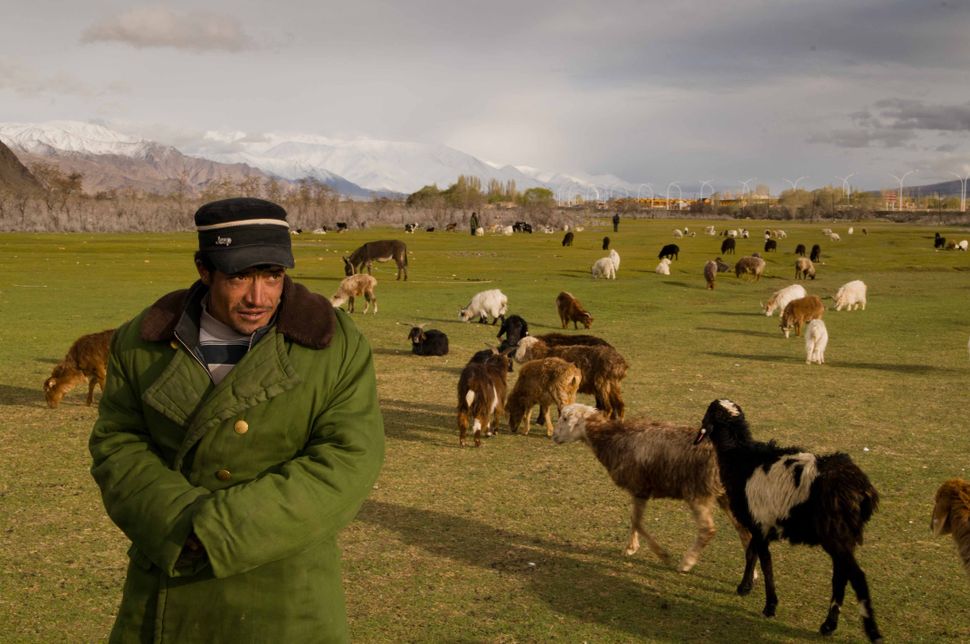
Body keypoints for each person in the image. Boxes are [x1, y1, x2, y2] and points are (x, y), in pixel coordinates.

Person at [89, 197, 385, 643]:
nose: (258, 297)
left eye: (272, 275)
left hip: (288, 592)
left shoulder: (334, 345)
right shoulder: (142, 340)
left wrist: (219, 530)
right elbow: (117, 443)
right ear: (204, 270)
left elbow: (349, 458)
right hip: (169, 574)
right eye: (239, 276)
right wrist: (180, 522)